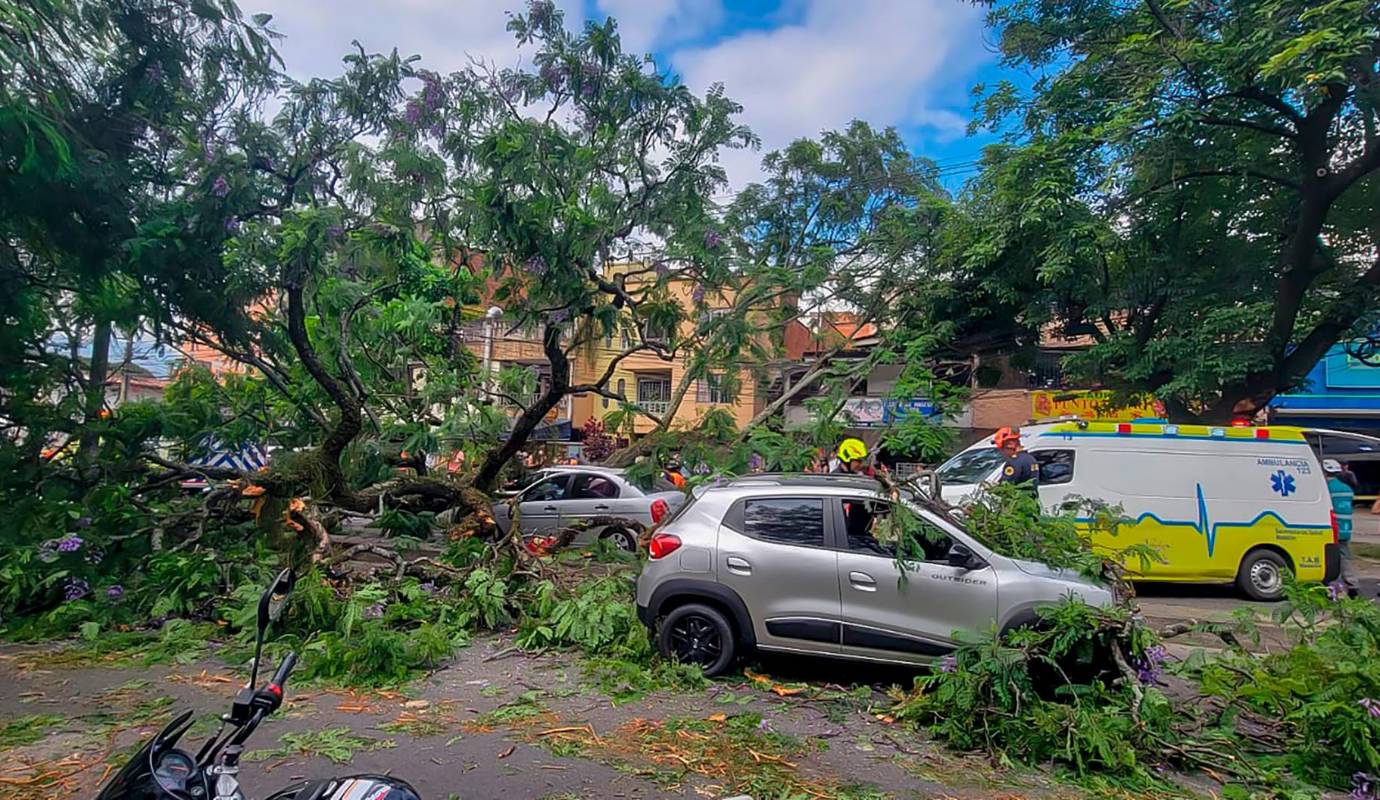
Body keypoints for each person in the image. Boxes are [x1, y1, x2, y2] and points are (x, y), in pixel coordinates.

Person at [1324, 458, 1359, 596]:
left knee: (1330, 559)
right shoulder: (1347, 489)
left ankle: (1332, 589)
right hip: (1346, 528)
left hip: (1332, 529)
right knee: (1344, 557)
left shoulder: (1326, 489)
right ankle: (1352, 584)